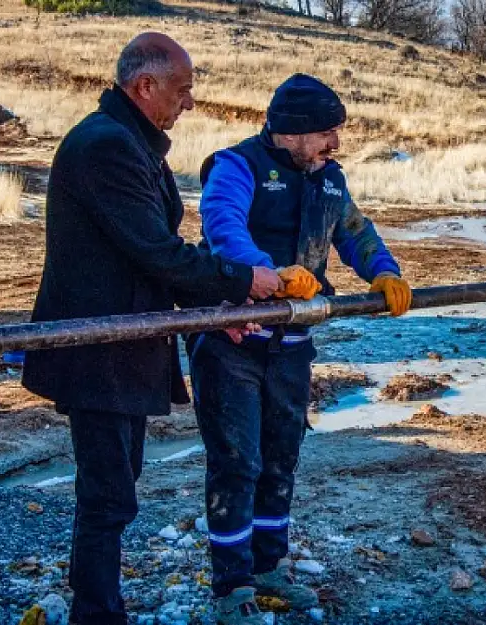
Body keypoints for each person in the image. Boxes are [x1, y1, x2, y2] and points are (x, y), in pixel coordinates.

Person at [22, 33, 282, 625]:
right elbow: (157, 252)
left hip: (122, 344)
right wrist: (242, 282)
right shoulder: (107, 148)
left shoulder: (127, 142)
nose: (189, 103)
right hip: (100, 350)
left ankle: (100, 606)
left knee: (114, 487)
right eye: (183, 89)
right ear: (145, 86)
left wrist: (215, 309)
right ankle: (96, 614)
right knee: (108, 494)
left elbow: (151, 254)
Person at [188, 73, 411, 623]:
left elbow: (356, 232)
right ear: (292, 131)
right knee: (237, 461)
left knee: (281, 458)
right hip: (231, 343)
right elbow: (222, 230)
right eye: (326, 133)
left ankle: (269, 569)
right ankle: (231, 586)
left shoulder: (329, 179)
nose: (335, 144)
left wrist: (384, 273)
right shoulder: (235, 168)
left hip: (292, 346)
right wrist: (270, 276)